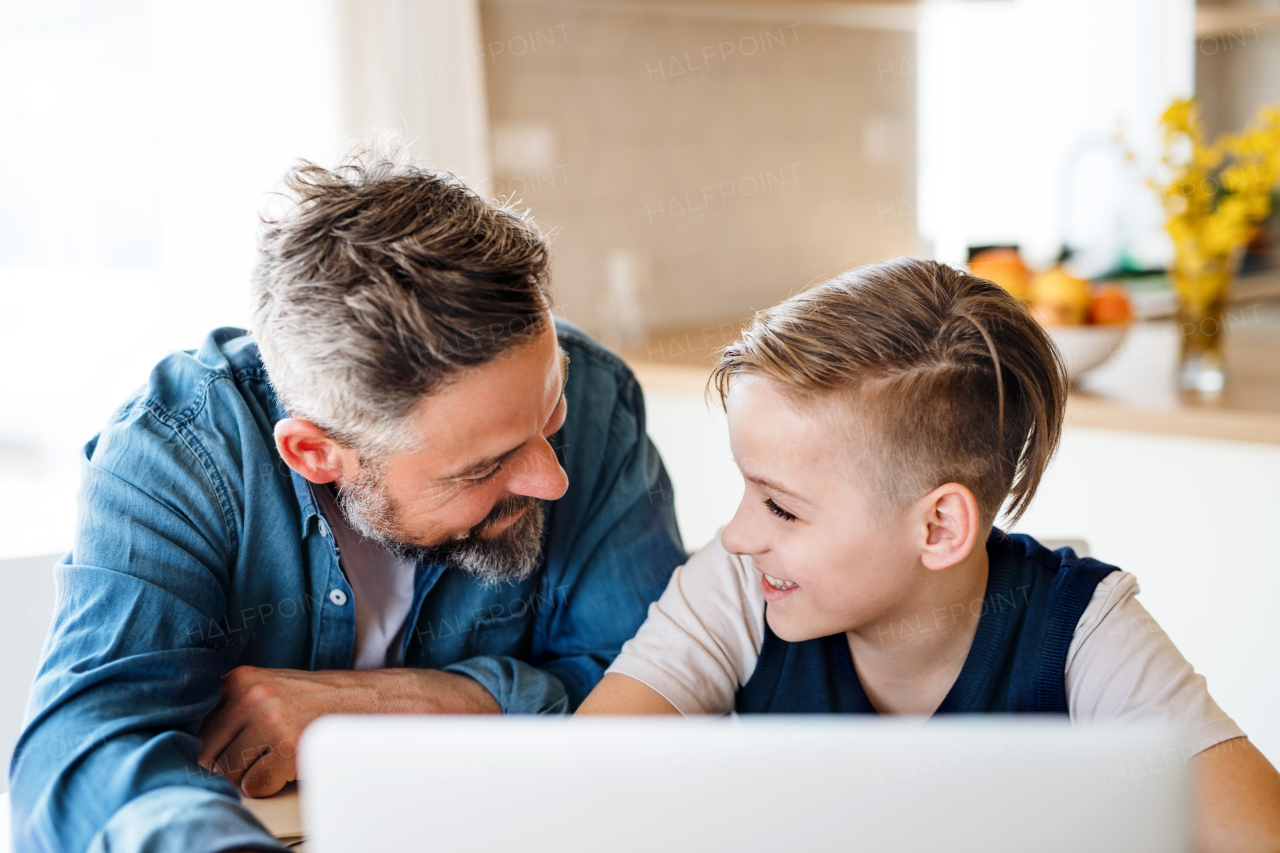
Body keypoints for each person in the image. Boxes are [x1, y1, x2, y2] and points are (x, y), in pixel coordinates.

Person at [10, 139, 684, 853]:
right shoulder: (180, 454)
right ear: (316, 452)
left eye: (550, 414)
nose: (552, 478)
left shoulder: (598, 396)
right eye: (484, 465)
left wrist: (403, 705)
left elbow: (665, 682)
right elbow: (85, 755)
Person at [577, 257, 1280, 850]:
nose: (736, 534)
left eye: (781, 506)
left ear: (940, 526)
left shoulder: (1084, 633)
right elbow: (577, 798)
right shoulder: (739, 586)